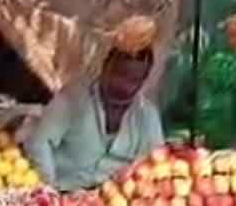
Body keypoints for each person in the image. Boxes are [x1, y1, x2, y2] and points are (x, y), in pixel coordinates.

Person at [26, 16, 165, 192]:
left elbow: (156, 164)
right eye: (120, 74)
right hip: (65, 194)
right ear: (106, 66)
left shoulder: (147, 116)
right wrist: (50, 189)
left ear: (144, 80)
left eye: (134, 80)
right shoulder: (72, 98)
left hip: (117, 203)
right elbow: (39, 142)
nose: (124, 85)